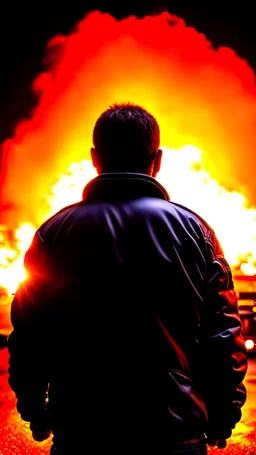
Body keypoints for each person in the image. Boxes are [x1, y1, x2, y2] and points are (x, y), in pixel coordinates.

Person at [8, 102, 248, 454]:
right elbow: (223, 336)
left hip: (82, 432)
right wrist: (222, 417)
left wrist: (36, 413)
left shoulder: (53, 234)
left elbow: (29, 337)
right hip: (174, 434)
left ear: (94, 157)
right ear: (158, 159)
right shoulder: (197, 233)